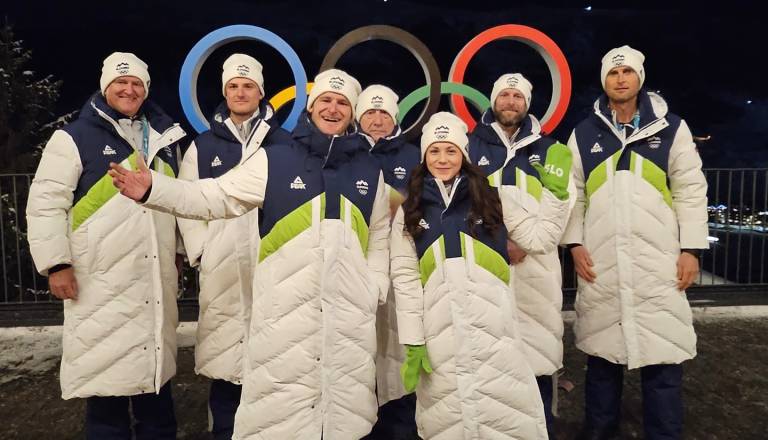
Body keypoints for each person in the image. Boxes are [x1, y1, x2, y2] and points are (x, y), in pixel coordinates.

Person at [109, 68, 391, 440]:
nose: (333, 109)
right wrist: (154, 189)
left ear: (352, 113)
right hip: (285, 319)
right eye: (325, 100)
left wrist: (373, 290)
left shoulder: (371, 171)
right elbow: (213, 196)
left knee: (346, 419)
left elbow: (381, 239)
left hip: (348, 321)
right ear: (310, 107)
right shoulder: (274, 158)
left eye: (342, 103)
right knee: (279, 419)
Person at [26, 52, 184, 439]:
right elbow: (46, 202)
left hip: (153, 281)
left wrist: (179, 253)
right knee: (106, 388)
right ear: (105, 86)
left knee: (155, 386)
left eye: (137, 84)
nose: (129, 89)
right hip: (99, 284)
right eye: (121, 82)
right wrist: (56, 264)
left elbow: (179, 200)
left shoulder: (165, 138)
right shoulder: (73, 138)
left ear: (146, 90)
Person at [391, 111, 573, 439]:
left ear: (464, 154)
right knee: (447, 423)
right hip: (439, 339)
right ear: (424, 156)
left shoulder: (494, 197)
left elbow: (540, 238)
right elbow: (405, 277)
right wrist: (414, 340)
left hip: (496, 334)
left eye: (451, 151)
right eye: (434, 150)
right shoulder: (411, 211)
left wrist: (556, 195)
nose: (443, 159)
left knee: (506, 421)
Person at [562, 45, 708, 439]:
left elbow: (691, 191)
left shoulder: (671, 128)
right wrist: (574, 244)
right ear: (604, 81)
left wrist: (691, 249)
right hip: (601, 262)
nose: (620, 79)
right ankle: (599, 432)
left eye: (627, 72)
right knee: (602, 359)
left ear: (639, 78)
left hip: (657, 263)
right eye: (613, 73)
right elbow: (572, 194)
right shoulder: (584, 132)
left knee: (663, 359)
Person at [177, 53, 290, 439]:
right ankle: (223, 430)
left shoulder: (283, 144)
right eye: (233, 86)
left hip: (272, 266)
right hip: (223, 269)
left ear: (261, 92)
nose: (241, 93)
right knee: (226, 362)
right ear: (225, 93)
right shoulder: (203, 147)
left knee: (275, 360)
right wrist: (203, 251)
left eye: (248, 86)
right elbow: (187, 203)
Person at [468, 72, 570, 437]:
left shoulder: (551, 150)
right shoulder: (468, 146)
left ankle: (542, 427)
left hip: (536, 271)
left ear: (527, 105)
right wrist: (498, 241)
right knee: (489, 356)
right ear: (493, 101)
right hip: (485, 266)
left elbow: (562, 208)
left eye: (518, 97)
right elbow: (459, 203)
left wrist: (525, 242)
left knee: (538, 355)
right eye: (504, 95)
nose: (510, 102)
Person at [356, 85, 420, 440]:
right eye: (369, 113)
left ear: (394, 118)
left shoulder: (413, 156)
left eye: (383, 114)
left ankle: (401, 427)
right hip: (357, 264)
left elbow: (421, 205)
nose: (377, 120)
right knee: (360, 351)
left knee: (398, 349)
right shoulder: (348, 152)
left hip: (401, 269)